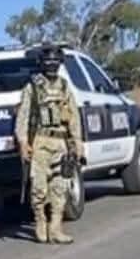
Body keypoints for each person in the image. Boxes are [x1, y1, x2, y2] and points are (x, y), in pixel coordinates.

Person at [14, 43, 86, 245]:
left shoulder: (64, 86)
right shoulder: (32, 87)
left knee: (60, 187)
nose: (52, 65)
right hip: (40, 142)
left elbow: (74, 117)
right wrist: (23, 142)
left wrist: (77, 143)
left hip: (61, 143)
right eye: (48, 61)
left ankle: (56, 228)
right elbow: (23, 116)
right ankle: (40, 220)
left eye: (55, 61)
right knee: (38, 188)